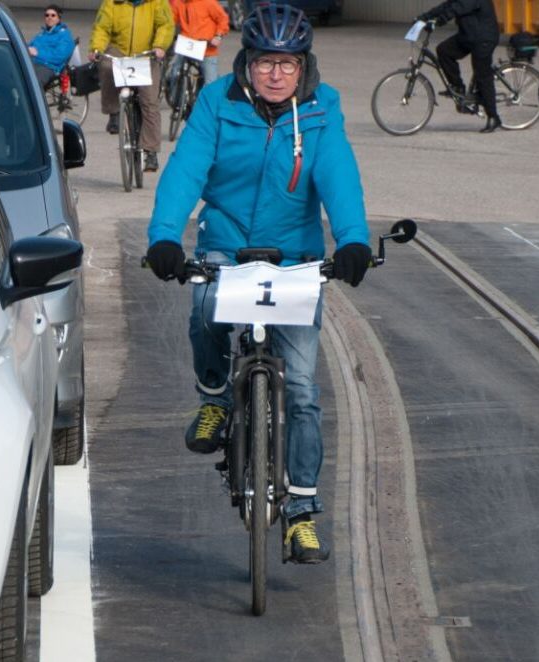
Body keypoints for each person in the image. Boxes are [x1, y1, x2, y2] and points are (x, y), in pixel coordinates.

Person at [145, 2, 372, 564]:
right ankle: (216, 396)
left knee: (299, 389)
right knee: (203, 305)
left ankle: (300, 512)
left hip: (295, 257)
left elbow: (337, 171)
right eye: (266, 62)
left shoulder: (323, 108)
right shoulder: (217, 102)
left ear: (304, 66)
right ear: (247, 63)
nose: (276, 74)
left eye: (288, 64)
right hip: (226, 242)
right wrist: (165, 236)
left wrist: (353, 239)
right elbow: (186, 168)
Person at [89, 0, 175, 172]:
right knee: (105, 65)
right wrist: (96, 48)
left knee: (150, 102)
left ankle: (150, 152)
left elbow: (165, 25)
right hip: (119, 52)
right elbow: (102, 27)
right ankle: (113, 112)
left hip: (147, 54)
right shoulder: (112, 3)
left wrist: (159, 46)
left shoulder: (156, 2)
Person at [418, 0, 502, 133]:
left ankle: (493, 117)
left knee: (482, 76)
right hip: (468, 36)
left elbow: (459, 7)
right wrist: (424, 17)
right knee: (444, 50)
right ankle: (458, 87)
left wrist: (439, 21)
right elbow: (448, 5)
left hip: (484, 38)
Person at [169, 0, 230, 86]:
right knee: (174, 72)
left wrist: (218, 36)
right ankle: (174, 96)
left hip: (206, 48)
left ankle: (218, 91)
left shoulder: (208, 2)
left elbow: (223, 19)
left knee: (210, 83)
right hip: (185, 46)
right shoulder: (178, 3)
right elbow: (170, 21)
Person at [28, 4, 76, 90]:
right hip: (32, 63)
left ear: (59, 18)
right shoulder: (41, 34)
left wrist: (38, 53)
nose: (49, 17)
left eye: (53, 15)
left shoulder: (65, 35)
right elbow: (28, 47)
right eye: (47, 15)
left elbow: (59, 56)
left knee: (32, 84)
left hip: (49, 66)